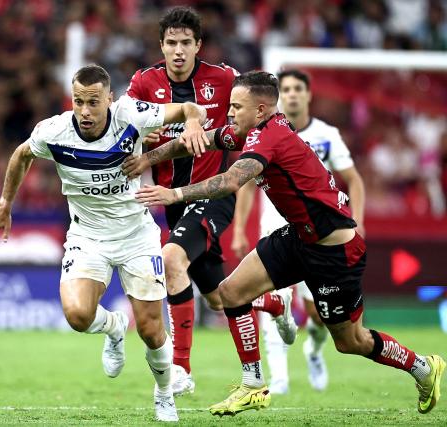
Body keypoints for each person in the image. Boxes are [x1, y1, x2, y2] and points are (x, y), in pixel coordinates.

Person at [124, 70, 445, 417]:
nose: (229, 113)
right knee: (230, 292)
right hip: (298, 237)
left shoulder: (269, 137)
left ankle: (423, 368)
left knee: (350, 341)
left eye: (237, 107)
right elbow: (201, 139)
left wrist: (174, 194)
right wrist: (147, 159)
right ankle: (253, 385)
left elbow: (232, 180)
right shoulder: (251, 130)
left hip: (335, 250)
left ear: (260, 110)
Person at [0, 64, 208, 422]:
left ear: (109, 99)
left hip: (136, 234)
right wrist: (5, 203)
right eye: (78, 102)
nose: (84, 111)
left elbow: (190, 108)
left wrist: (193, 121)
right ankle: (115, 328)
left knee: (150, 330)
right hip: (87, 235)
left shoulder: (130, 114)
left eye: (93, 103)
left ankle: (164, 393)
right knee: (77, 314)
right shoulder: (54, 131)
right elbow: (21, 154)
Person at [126, 6, 296, 396]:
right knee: (220, 298)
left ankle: (181, 370)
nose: (179, 51)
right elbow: (123, 126)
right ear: (162, 46)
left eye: (187, 43)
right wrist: (144, 140)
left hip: (213, 195)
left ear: (198, 45)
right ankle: (273, 304)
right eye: (172, 43)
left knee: (171, 260)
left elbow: (263, 110)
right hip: (172, 202)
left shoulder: (224, 79)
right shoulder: (143, 83)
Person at [233, 69, 366, 394]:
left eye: (297, 89)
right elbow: (246, 183)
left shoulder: (325, 134)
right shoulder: (255, 134)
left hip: (320, 232)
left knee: (317, 316)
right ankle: (277, 379)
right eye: (287, 88)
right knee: (256, 293)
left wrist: (357, 221)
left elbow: (354, 179)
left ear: (307, 96)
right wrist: (238, 229)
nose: (292, 94)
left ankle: (314, 350)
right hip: (277, 226)